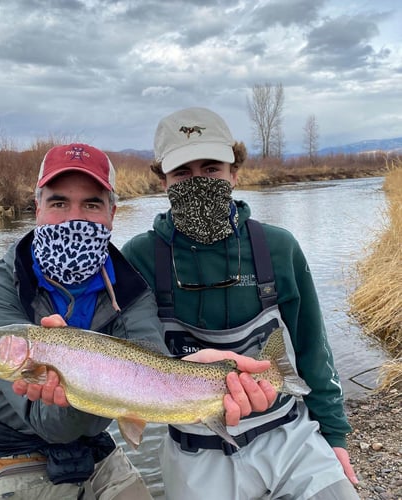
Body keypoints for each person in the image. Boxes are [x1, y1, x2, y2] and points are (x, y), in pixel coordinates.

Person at [0, 142, 275, 500]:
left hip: (91, 444)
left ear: (112, 213)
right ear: (37, 209)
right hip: (1, 453)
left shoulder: (131, 293)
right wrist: (74, 364)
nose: (74, 217)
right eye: (59, 202)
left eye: (91, 204)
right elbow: (48, 422)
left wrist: (200, 378)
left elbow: (149, 379)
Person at [120, 107, 360, 499]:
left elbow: (313, 349)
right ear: (162, 180)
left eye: (211, 168)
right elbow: (128, 355)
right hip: (194, 448)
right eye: (183, 173)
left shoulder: (278, 248)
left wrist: (335, 437)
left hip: (288, 434)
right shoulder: (139, 258)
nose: (198, 182)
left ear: (235, 171)